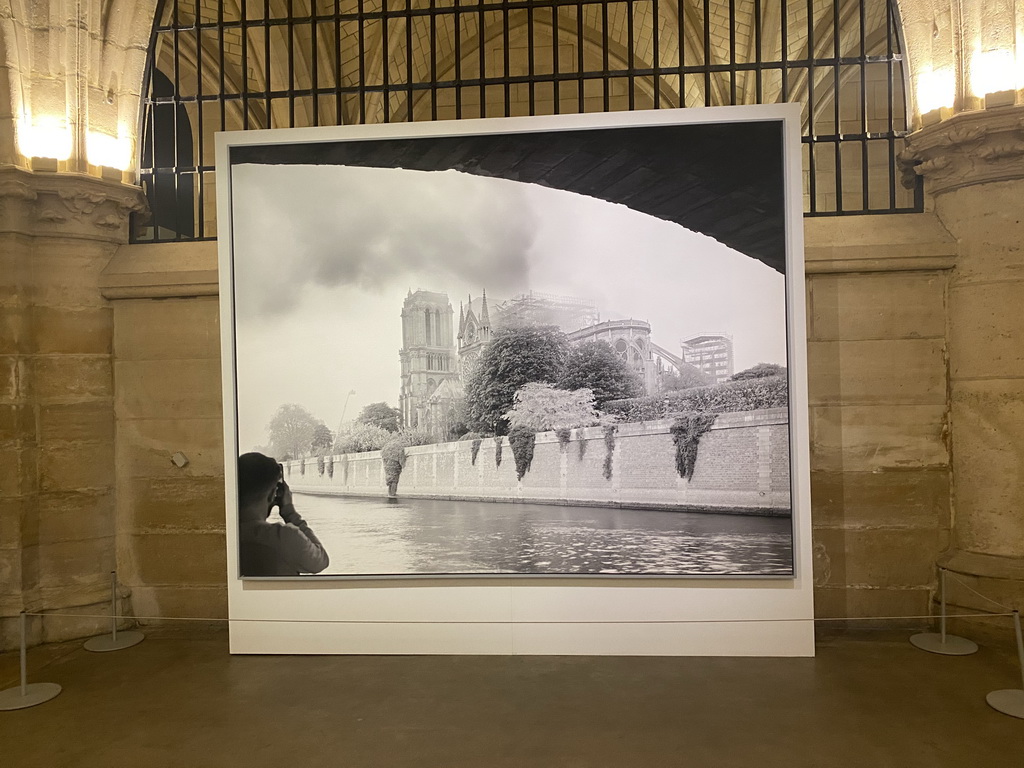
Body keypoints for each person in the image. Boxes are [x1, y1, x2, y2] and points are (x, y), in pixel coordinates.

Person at [237, 452, 330, 577]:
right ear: (272, 495)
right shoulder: (283, 537)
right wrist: (289, 512)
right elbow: (320, 561)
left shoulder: (226, 533)